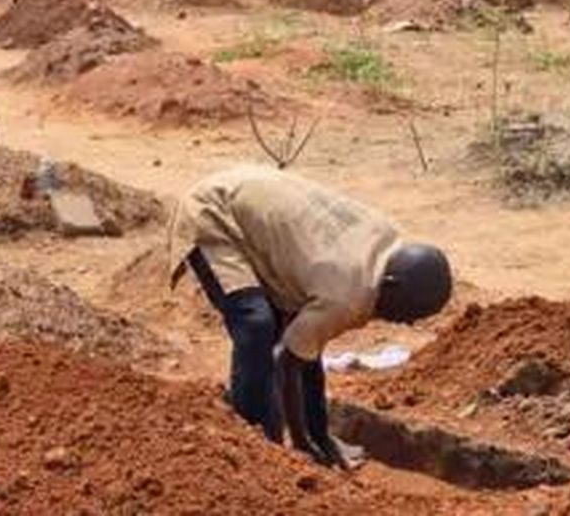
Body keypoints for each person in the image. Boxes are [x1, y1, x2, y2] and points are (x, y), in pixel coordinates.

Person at [167, 165, 453, 469]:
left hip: (250, 194)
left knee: (294, 334)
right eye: (409, 311)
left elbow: (306, 348)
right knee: (256, 325)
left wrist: (319, 435)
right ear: (392, 285)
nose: (406, 323)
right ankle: (255, 451)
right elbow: (287, 361)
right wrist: (304, 444)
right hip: (216, 214)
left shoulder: (385, 240)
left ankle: (284, 438)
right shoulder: (348, 293)